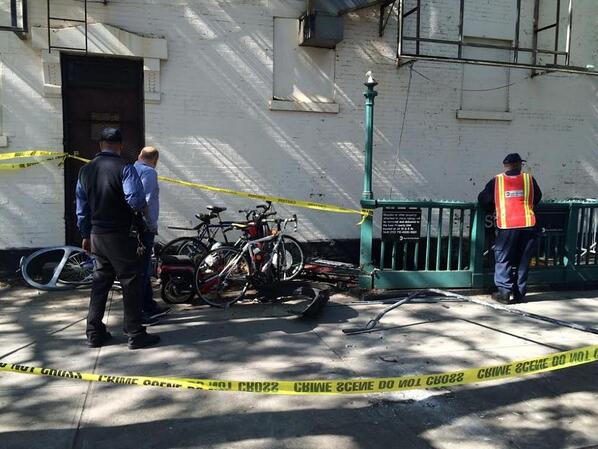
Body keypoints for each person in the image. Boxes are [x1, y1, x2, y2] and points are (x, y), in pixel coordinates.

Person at [76, 128, 160, 349]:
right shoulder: (125, 168)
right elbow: (135, 199)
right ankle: (135, 333)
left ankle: (94, 332)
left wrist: (85, 235)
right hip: (120, 235)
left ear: (100, 145)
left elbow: (81, 209)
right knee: (130, 281)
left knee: (100, 282)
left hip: (97, 236)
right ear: (120, 146)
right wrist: (143, 213)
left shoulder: (85, 171)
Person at [478, 153, 542, 304]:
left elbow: (483, 199)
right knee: (523, 260)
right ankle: (520, 294)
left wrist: (495, 206)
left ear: (505, 165)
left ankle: (504, 293)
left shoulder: (497, 181)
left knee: (503, 258)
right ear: (519, 164)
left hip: (507, 224)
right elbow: (537, 197)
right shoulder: (529, 179)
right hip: (528, 224)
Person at [134, 146, 170, 322]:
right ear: (155, 160)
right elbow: (147, 200)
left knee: (142, 268)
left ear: (139, 155)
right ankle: (144, 309)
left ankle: (149, 304)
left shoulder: (130, 169)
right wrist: (152, 224)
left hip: (132, 227)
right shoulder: (148, 173)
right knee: (143, 269)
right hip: (144, 227)